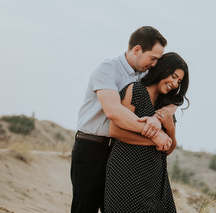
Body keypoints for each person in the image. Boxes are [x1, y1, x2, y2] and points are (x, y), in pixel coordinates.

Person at [71, 26, 176, 213]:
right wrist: (155, 134)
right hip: (92, 148)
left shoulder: (146, 75)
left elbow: (174, 97)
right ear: (137, 50)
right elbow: (114, 112)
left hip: (122, 152)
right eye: (153, 58)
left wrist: (160, 117)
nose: (154, 64)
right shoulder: (108, 69)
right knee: (84, 208)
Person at [104, 52, 189, 213]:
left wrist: (169, 128)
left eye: (179, 81)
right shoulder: (136, 90)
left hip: (155, 181)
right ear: (162, 69)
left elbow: (168, 148)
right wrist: (155, 139)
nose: (175, 83)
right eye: (173, 76)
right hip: (126, 175)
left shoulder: (166, 106)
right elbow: (115, 131)